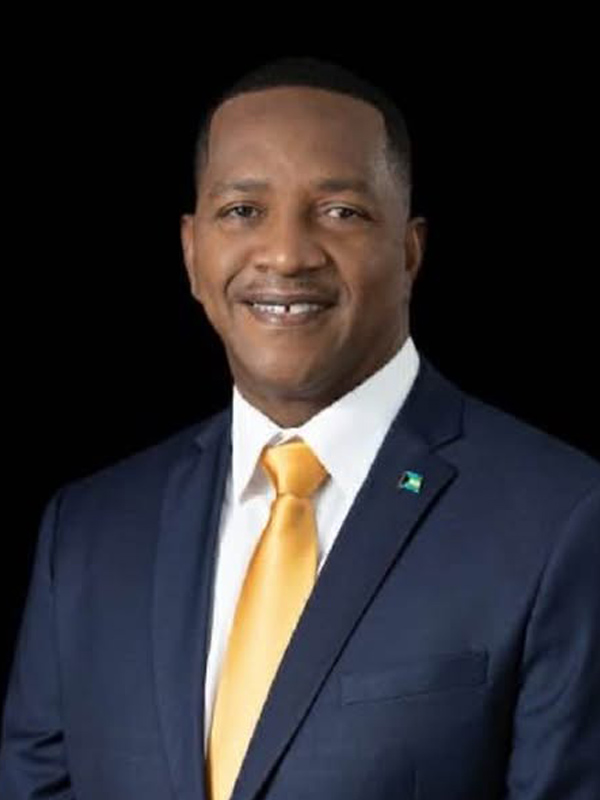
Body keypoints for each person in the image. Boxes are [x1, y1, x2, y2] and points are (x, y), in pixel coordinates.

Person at [1, 56, 598, 800]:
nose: (285, 254)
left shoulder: (562, 519)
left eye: (340, 212)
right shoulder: (87, 532)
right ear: (191, 252)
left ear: (409, 252)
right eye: (242, 211)